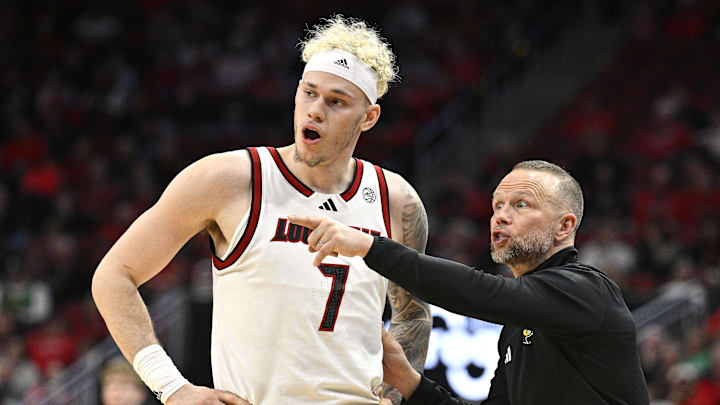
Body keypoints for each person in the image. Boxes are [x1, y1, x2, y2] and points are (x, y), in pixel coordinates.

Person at [91, 15, 431, 405]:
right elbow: (113, 276)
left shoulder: (397, 200)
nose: (315, 110)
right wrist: (172, 387)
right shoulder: (228, 179)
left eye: (336, 102)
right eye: (308, 93)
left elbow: (413, 315)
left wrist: (396, 395)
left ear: (368, 117)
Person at [289, 160, 650, 404]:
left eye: (521, 205)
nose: (501, 217)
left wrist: (373, 247)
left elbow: (483, 292)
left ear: (565, 226)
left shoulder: (588, 290)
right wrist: (409, 383)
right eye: (497, 206)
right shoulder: (518, 324)